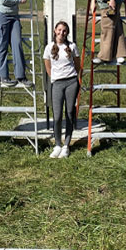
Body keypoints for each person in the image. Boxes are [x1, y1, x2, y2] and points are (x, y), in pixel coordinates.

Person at [43, 21, 81, 158]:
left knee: (70, 112)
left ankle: (66, 145)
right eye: (59, 30)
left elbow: (77, 65)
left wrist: (73, 78)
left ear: (67, 33)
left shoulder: (72, 46)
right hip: (57, 83)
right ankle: (58, 144)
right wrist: (55, 77)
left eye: (64, 31)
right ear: (55, 31)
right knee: (57, 115)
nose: (61, 33)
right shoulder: (49, 48)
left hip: (71, 82)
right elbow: (47, 66)